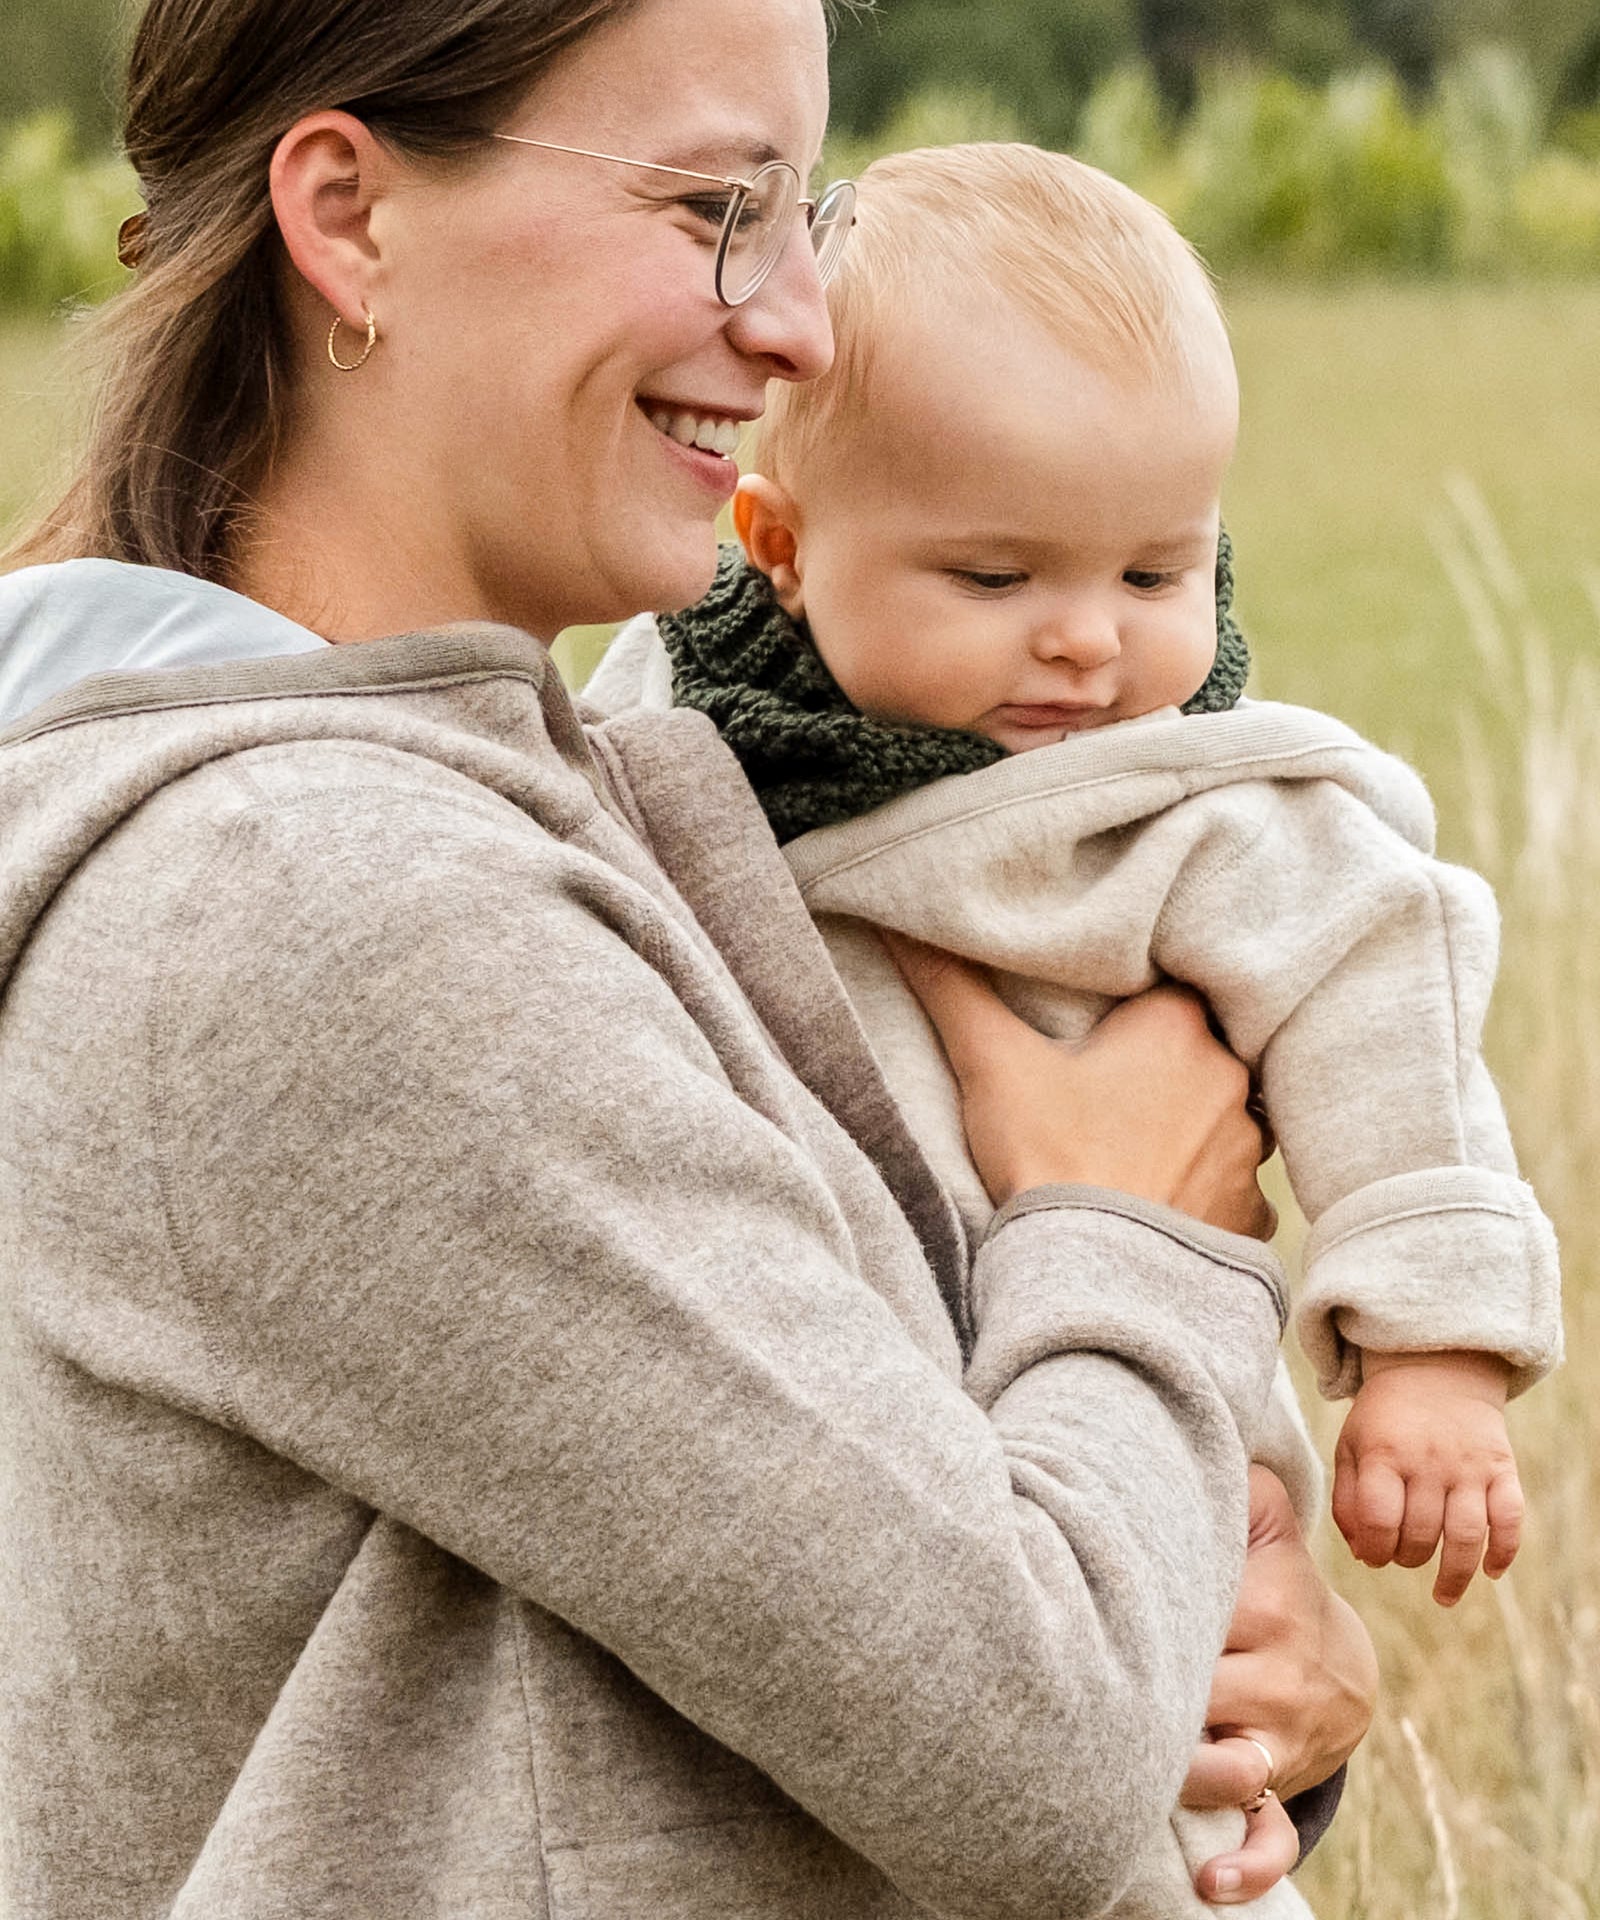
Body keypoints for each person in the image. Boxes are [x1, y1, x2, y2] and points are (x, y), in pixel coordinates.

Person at [0, 5, 1375, 1916]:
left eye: (804, 211)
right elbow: (1034, 1749)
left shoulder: (568, 797)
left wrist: (1235, 1699)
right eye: (720, 207)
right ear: (351, 216)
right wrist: (1134, 1222)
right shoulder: (327, 903)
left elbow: (928, 1620)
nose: (803, 319)